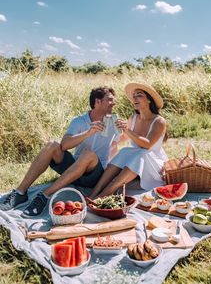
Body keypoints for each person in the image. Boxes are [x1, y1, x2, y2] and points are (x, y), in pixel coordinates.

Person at [0, 86, 119, 216]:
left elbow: (115, 147)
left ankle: (44, 196)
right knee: (52, 145)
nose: (114, 103)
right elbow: (64, 145)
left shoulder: (114, 122)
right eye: (110, 99)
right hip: (74, 170)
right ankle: (20, 192)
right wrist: (88, 132)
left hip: (93, 175)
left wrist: (111, 174)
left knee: (88, 153)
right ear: (98, 102)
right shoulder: (79, 121)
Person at [89, 82, 168, 199]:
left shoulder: (159, 121)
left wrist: (127, 130)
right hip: (137, 160)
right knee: (124, 151)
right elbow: (125, 137)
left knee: (141, 153)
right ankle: (94, 192)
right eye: (134, 96)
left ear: (149, 100)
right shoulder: (134, 118)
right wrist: (110, 141)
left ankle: (106, 193)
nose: (135, 98)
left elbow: (147, 144)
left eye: (139, 95)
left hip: (154, 163)